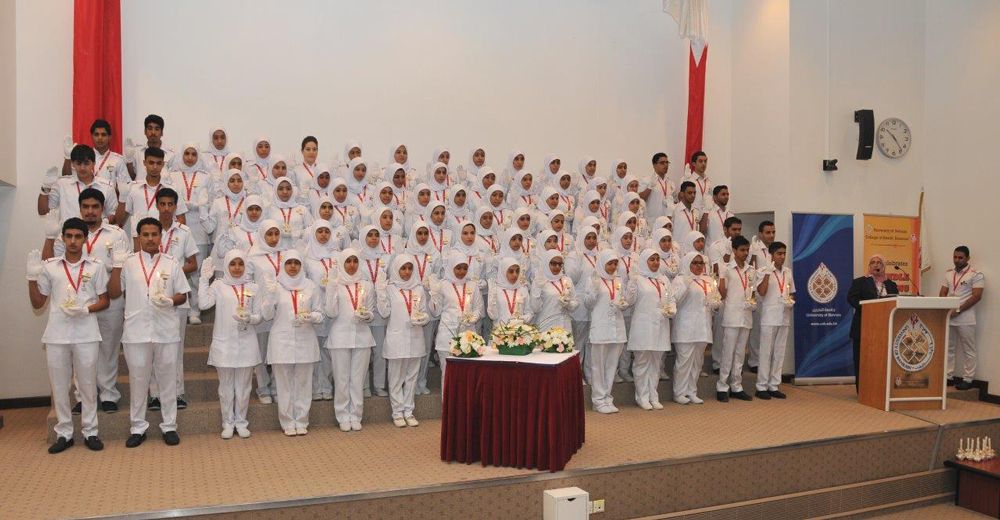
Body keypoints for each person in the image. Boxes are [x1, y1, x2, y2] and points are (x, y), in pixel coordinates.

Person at [26, 218, 110, 453]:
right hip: (57, 335)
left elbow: (105, 300)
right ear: (62, 237)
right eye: (69, 236)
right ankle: (64, 433)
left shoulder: (95, 266)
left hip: (86, 333)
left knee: (87, 385)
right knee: (60, 386)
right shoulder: (50, 266)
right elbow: (38, 302)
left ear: (85, 239)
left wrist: (86, 309)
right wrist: (30, 278)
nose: (73, 241)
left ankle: (91, 431)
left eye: (78, 236)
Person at [42, 189, 130, 414]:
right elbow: (50, 265)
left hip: (108, 297)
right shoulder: (69, 231)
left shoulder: (117, 234)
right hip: (75, 302)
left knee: (108, 349)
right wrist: (49, 237)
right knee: (78, 350)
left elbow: (125, 268)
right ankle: (82, 396)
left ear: (102, 209)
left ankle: (108, 394)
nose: (90, 211)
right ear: (80, 208)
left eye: (95, 207)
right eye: (86, 207)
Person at [107, 217, 188, 448]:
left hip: (166, 330)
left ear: (161, 236)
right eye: (146, 234)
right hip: (136, 332)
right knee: (138, 381)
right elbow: (113, 293)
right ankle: (137, 427)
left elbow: (183, 294)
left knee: (168, 380)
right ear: (139, 237)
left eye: (154, 234)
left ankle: (169, 426)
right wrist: (116, 266)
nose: (150, 238)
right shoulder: (129, 262)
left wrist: (170, 301)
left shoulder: (171, 263)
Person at [198, 249, 269, 439]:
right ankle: (227, 422)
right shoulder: (219, 285)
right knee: (226, 387)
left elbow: (259, 316)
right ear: (226, 266)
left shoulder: (253, 287)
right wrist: (204, 280)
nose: (237, 268)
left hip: (247, 342)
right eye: (232, 264)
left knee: (244, 387)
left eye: (240, 264)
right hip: (224, 344)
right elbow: (203, 305)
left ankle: (241, 422)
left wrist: (249, 319)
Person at [147, 188, 197, 411]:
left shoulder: (184, 232)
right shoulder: (149, 229)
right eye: (163, 204)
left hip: (177, 296)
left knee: (175, 348)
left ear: (176, 207)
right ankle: (155, 394)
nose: (166, 208)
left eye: (170, 204)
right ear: (156, 205)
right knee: (153, 346)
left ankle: (177, 393)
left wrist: (173, 273)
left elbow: (193, 264)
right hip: (153, 298)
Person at [266, 250, 323, 436]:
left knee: (304, 383)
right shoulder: (275, 286)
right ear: (283, 265)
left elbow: (320, 313)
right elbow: (266, 315)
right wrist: (269, 297)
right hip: (281, 341)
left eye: (296, 263)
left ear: (301, 265)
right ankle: (287, 421)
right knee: (284, 385)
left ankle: (302, 420)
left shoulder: (310, 286)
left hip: (305, 339)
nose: (292, 266)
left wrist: (311, 317)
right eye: (289, 262)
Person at [325, 248, 376, 432]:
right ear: (342, 263)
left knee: (357, 379)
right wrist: (331, 288)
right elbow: (331, 312)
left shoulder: (367, 285)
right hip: (340, 337)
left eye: (355, 261)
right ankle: (342, 415)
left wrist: (366, 315)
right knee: (341, 379)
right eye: (348, 261)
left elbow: (371, 312)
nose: (352, 265)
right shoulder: (336, 284)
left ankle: (356, 414)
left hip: (362, 337)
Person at [378, 255, 431, 428]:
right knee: (395, 378)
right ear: (396, 269)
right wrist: (380, 292)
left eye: (410, 268)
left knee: (411, 377)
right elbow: (384, 313)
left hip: (416, 338)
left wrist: (422, 319)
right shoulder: (390, 288)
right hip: (397, 338)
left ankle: (409, 411)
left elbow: (424, 312)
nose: (407, 272)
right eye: (403, 268)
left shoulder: (419, 289)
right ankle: (397, 412)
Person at [166, 143, 213, 324]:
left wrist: (201, 205)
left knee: (196, 271)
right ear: (181, 155)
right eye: (187, 153)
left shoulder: (205, 177)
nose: (190, 157)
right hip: (177, 226)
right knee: (177, 266)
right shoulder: (173, 175)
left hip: (199, 228)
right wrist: (183, 205)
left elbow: (211, 200)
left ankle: (194, 309)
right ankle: (179, 305)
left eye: (194, 154)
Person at [625, 249, 675, 410]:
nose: (655, 263)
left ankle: (653, 395)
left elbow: (671, 298)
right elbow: (629, 301)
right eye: (651, 259)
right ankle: (642, 396)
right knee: (642, 362)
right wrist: (631, 283)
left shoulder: (664, 279)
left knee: (656, 363)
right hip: (643, 326)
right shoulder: (638, 279)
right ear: (644, 261)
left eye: (657, 259)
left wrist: (672, 308)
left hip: (661, 325)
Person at [580, 249, 628, 413]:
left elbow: (623, 300)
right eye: (610, 263)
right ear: (602, 263)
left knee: (611, 366)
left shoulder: (618, 280)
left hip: (617, 328)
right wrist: (594, 289)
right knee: (598, 366)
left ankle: (608, 397)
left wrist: (623, 304)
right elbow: (588, 304)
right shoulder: (593, 279)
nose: (613, 267)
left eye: (615, 263)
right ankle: (598, 400)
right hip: (601, 327)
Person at [671, 251, 720, 404]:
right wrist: (686, 284)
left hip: (702, 327)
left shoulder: (708, 280)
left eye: (701, 263)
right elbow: (674, 300)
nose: (699, 266)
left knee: (697, 362)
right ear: (688, 263)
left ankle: (691, 391)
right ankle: (679, 392)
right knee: (684, 362)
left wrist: (716, 304)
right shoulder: (680, 279)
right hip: (685, 327)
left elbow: (714, 300)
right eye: (695, 263)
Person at [846, 254, 900, 392]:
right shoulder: (860, 282)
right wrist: (869, 308)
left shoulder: (891, 285)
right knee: (862, 360)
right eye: (873, 262)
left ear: (884, 266)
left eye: (879, 262)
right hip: (863, 326)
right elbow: (851, 298)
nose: (876, 265)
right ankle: (863, 390)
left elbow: (896, 302)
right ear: (869, 266)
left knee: (882, 360)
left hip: (885, 328)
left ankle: (881, 389)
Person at [430, 251, 484, 383]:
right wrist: (434, 295)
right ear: (451, 267)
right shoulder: (443, 285)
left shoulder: (472, 285)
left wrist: (473, 317)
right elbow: (435, 312)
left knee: (467, 375)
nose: (462, 271)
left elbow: (479, 308)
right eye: (458, 268)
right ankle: (447, 397)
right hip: (447, 333)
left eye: (465, 268)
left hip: (468, 334)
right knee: (448, 374)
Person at [939, 246, 986, 390]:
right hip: (949, 316)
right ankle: (948, 377)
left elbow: (977, 296)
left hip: (966, 317)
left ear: (967, 258)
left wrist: (958, 310)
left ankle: (968, 379)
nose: (957, 260)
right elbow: (942, 293)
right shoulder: (949, 273)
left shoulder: (976, 274)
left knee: (968, 349)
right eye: (955, 257)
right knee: (949, 347)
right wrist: (946, 309)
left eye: (960, 257)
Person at [716, 236, 757, 401]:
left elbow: (752, 292)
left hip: (746, 316)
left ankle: (736, 386)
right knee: (728, 352)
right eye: (742, 250)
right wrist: (721, 277)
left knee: (740, 354)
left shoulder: (751, 270)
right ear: (734, 250)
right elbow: (722, 294)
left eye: (747, 250)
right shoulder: (727, 269)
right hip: (732, 316)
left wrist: (752, 301)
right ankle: (722, 386)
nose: (745, 253)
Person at [40, 144, 120, 223]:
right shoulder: (62, 184)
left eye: (86, 163)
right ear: (72, 164)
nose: (82, 168)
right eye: (78, 163)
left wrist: (102, 222)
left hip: (97, 231)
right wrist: (45, 188)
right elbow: (43, 211)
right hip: (69, 231)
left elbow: (113, 214)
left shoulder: (107, 186)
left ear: (94, 163)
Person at [755, 241, 795, 400]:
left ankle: (774, 385)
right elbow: (761, 292)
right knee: (766, 352)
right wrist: (767, 272)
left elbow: (791, 292)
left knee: (779, 352)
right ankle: (761, 386)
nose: (782, 256)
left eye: (784, 253)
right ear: (771, 255)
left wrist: (791, 301)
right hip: (769, 317)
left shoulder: (787, 272)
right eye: (779, 253)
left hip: (784, 316)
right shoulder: (762, 271)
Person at [61, 119, 130, 194]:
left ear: (109, 137)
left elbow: (126, 187)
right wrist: (67, 157)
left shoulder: (118, 160)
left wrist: (112, 189)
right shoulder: (82, 155)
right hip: (83, 198)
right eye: (96, 134)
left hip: (108, 199)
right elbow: (66, 178)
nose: (100, 138)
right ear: (92, 136)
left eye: (103, 134)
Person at [126, 114, 175, 182]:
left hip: (163, 188)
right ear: (145, 131)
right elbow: (131, 178)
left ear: (162, 132)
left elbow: (173, 180)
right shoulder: (136, 151)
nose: (153, 132)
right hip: (139, 188)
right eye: (150, 128)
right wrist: (129, 160)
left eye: (157, 129)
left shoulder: (171, 155)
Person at [642, 152, 674, 222]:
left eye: (667, 162)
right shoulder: (647, 180)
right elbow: (641, 198)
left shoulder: (670, 182)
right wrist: (649, 187)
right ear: (654, 165)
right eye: (662, 163)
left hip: (667, 221)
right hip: (652, 221)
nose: (665, 165)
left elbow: (675, 201)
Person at [672, 181, 699, 253]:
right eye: (690, 193)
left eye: (694, 193)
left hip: (693, 249)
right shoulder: (674, 209)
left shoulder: (696, 211)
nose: (693, 195)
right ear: (682, 194)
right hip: (678, 250)